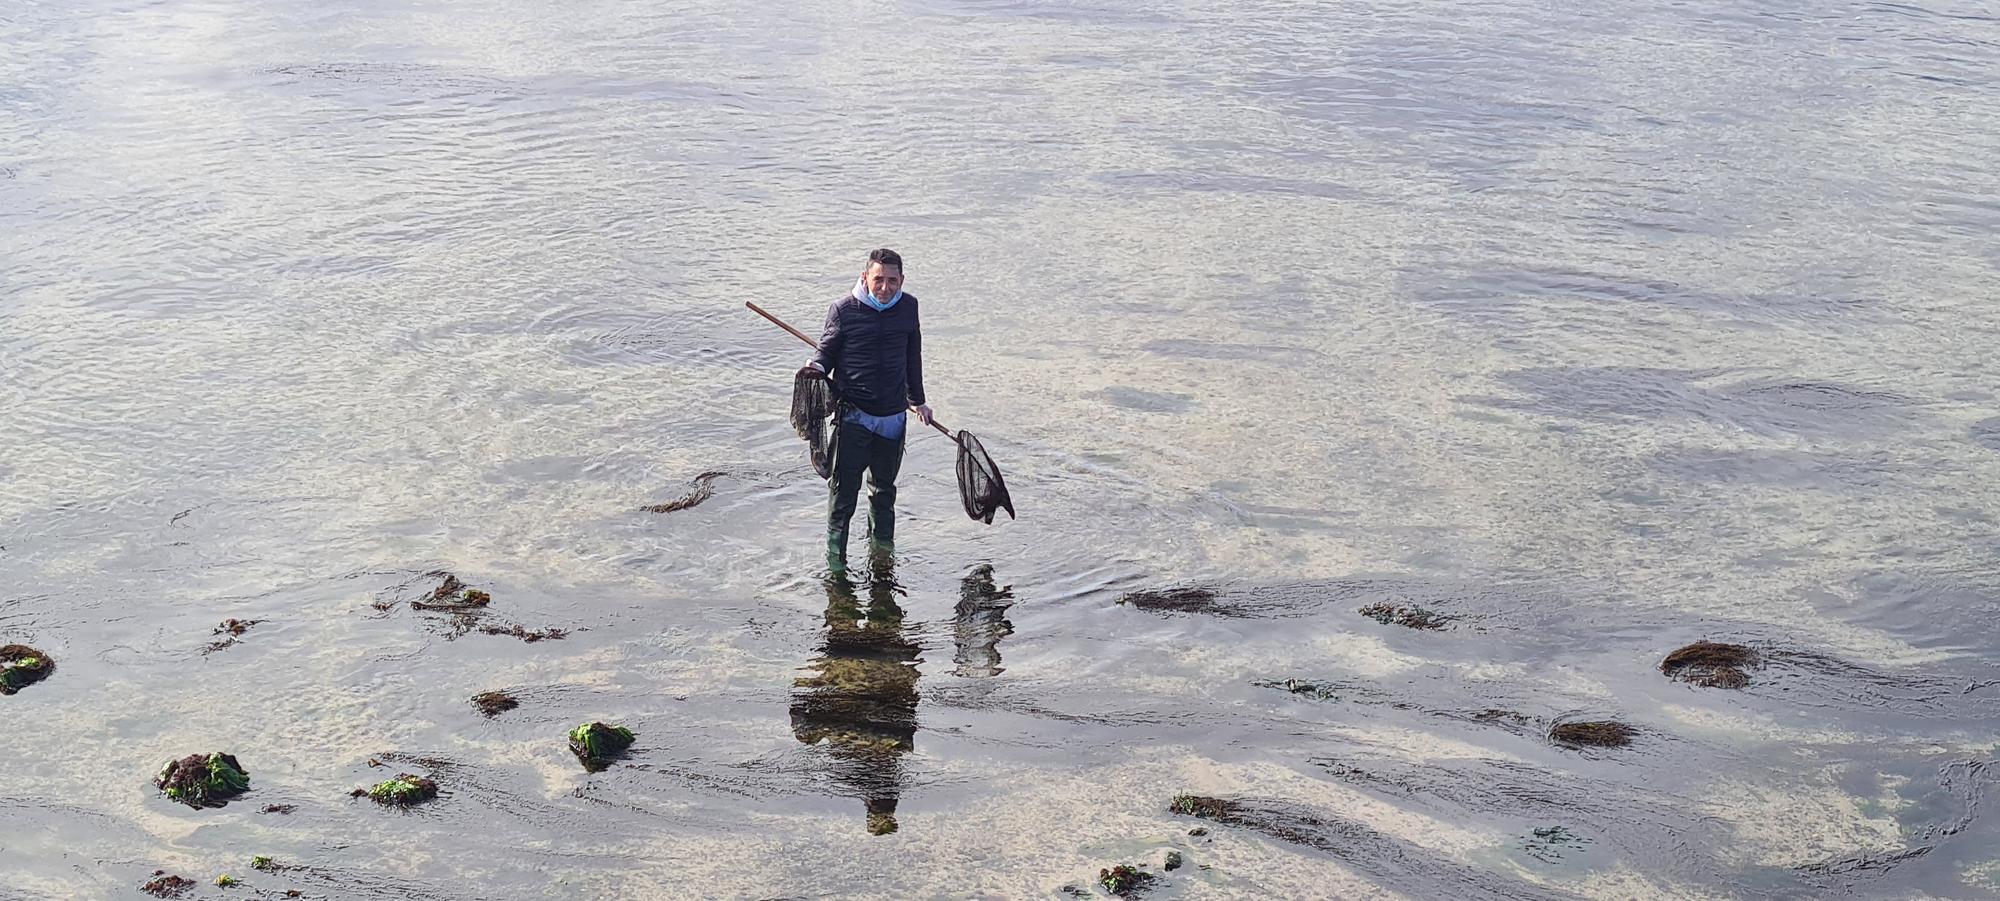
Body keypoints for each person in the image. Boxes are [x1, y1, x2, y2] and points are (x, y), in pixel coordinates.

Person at [797, 248, 933, 571]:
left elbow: (913, 357)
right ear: (864, 278)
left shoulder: (909, 308)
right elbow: (826, 354)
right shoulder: (843, 311)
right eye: (878, 280)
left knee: (884, 492)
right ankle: (836, 565)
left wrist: (918, 400)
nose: (885, 288)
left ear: (902, 280)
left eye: (892, 281)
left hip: (892, 419)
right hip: (854, 417)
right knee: (844, 495)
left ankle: (882, 558)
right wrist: (815, 366)